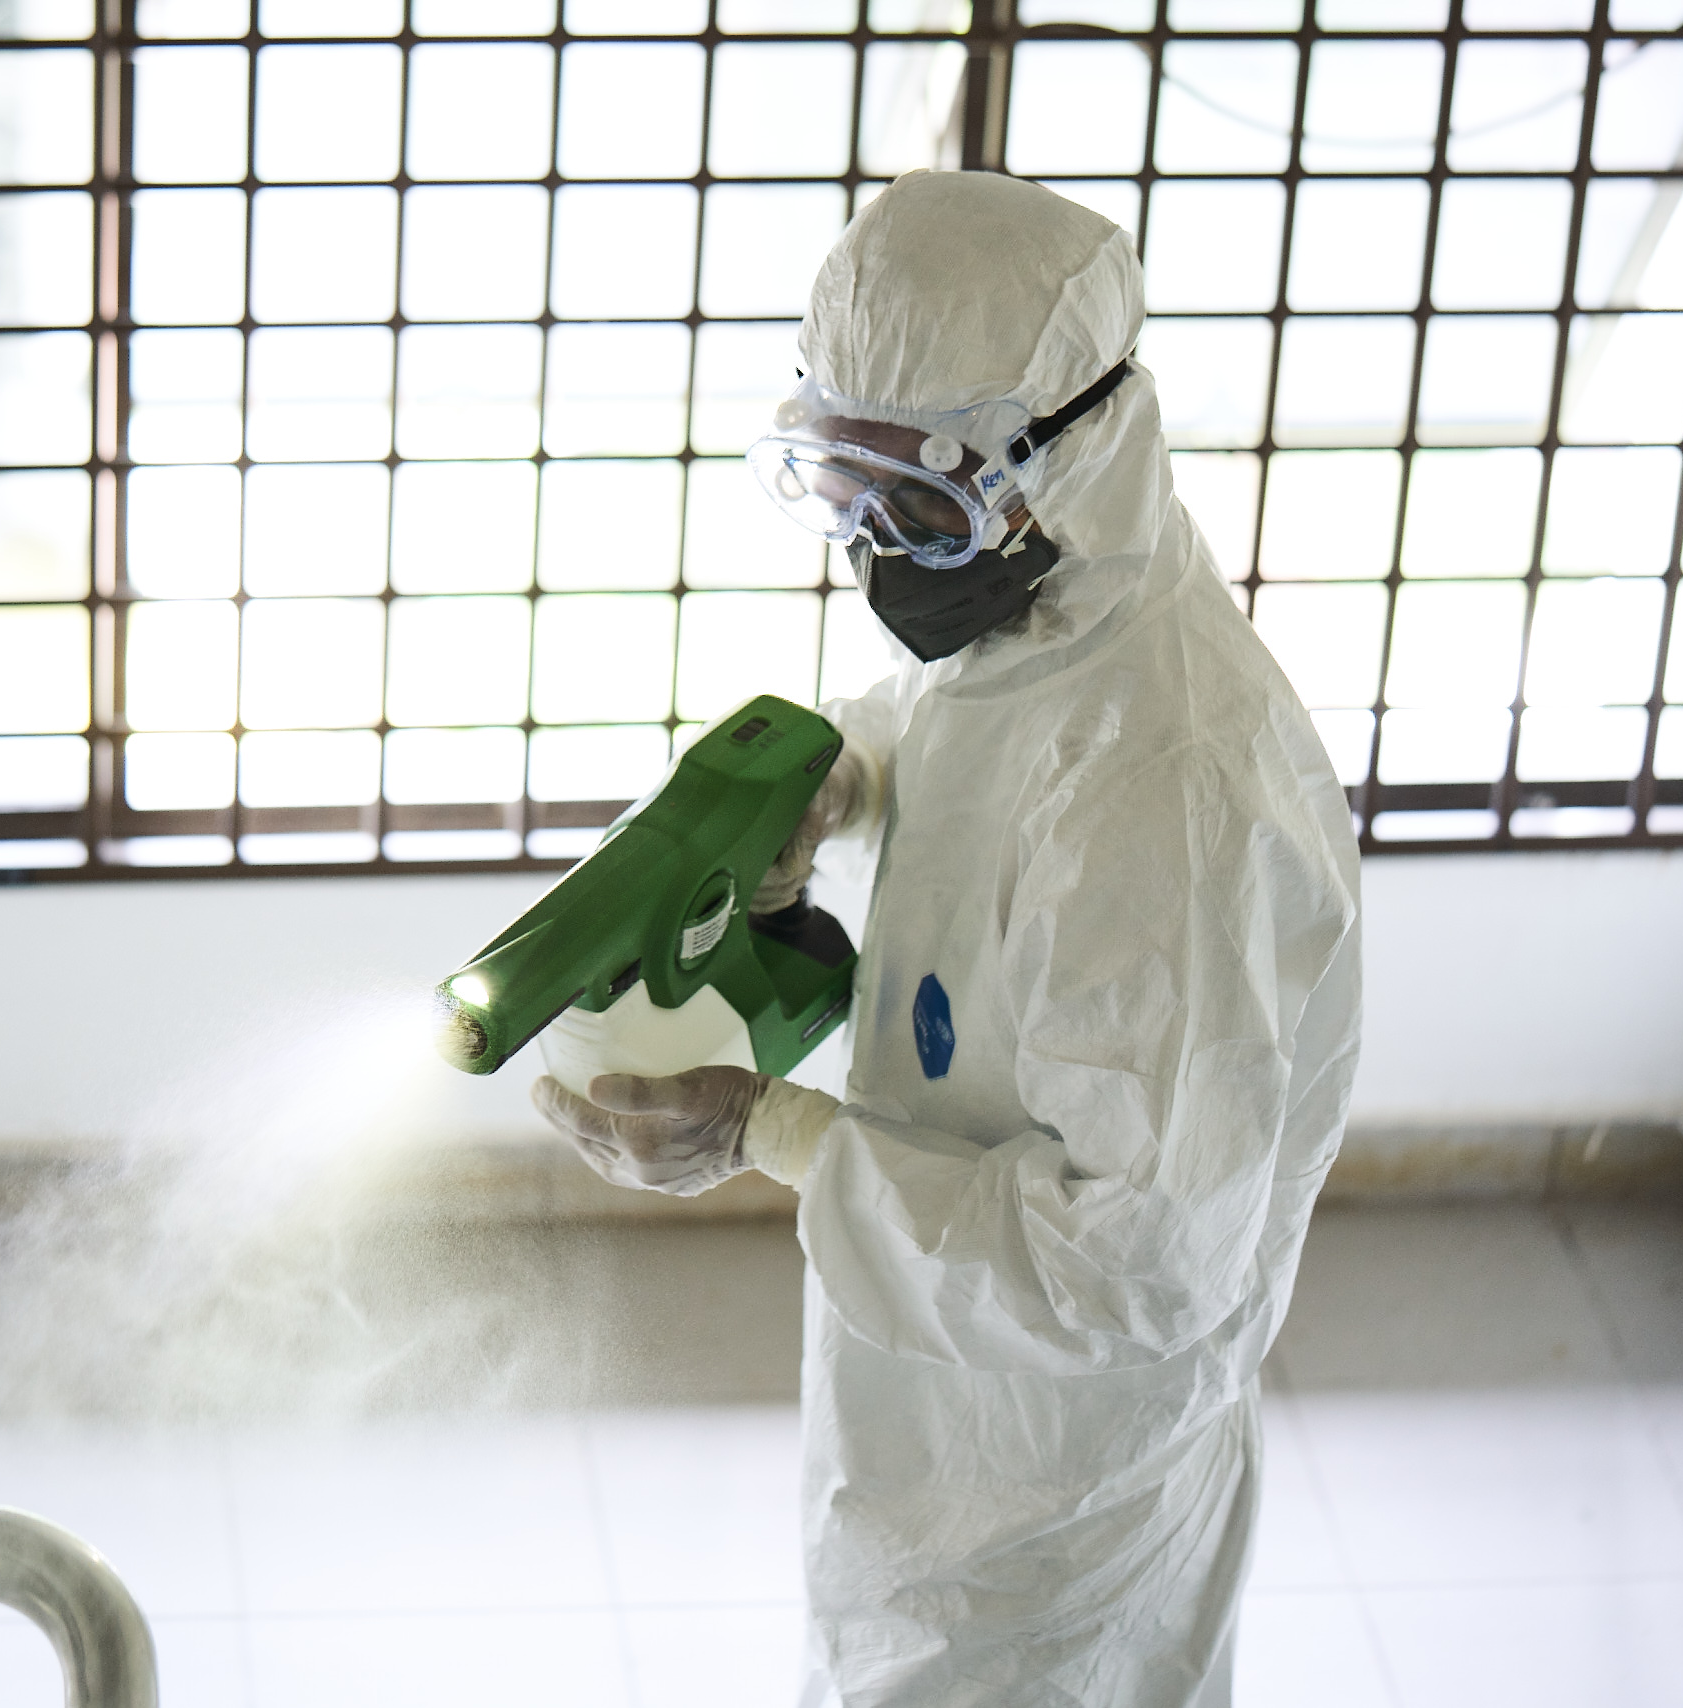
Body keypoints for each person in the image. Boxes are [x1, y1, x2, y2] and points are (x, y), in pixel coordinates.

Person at [531, 169, 1363, 1708]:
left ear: (1078, 452)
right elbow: (975, 724)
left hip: (1056, 1504)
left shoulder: (1177, 804)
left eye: (917, 504)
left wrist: (774, 1134)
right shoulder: (1065, 616)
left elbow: (1130, 1274)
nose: (873, 548)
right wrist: (842, 775)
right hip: (936, 1413)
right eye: (841, 487)